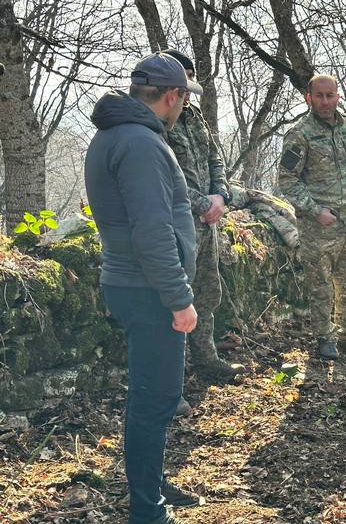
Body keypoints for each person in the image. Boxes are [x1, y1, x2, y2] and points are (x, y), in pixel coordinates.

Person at [84, 53, 202, 524]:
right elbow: (151, 231)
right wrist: (179, 298)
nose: (183, 107)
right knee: (156, 399)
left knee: (150, 394)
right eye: (184, 99)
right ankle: (146, 509)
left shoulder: (115, 135)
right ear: (172, 96)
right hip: (149, 289)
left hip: (132, 282)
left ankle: (151, 484)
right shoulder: (140, 143)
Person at [161, 49, 244, 416]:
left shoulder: (194, 117)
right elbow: (168, 178)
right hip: (177, 224)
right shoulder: (158, 122)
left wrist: (220, 195)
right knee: (174, 303)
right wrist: (201, 203)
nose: (188, 92)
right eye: (183, 84)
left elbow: (215, 159)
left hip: (206, 223)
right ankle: (172, 382)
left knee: (207, 292)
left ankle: (207, 360)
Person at [277, 74, 346, 360]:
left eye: (330, 95)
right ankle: (325, 338)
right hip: (318, 227)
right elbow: (287, 180)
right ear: (309, 98)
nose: (324, 101)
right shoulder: (300, 134)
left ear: (338, 97)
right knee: (320, 287)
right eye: (318, 96)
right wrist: (314, 210)